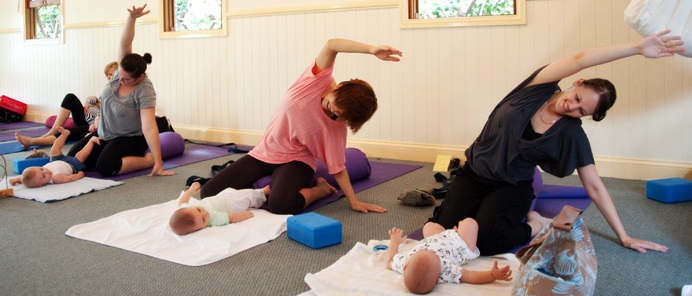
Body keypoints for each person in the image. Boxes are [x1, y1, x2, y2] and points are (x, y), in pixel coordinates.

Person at [427, 30, 684, 256]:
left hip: (511, 185)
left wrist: (624, 236)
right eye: (577, 98)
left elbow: (593, 185)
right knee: (444, 231)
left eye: (581, 111)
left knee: (485, 241)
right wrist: (637, 48)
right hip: (473, 174)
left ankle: (535, 222)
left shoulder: (570, 133)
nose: (572, 107)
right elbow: (579, 59)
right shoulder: (538, 87)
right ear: (577, 82)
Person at [199, 38, 402, 214]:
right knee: (208, 193)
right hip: (265, 152)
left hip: (298, 161)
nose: (331, 112)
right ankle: (263, 185)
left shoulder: (336, 128)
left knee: (280, 205)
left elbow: (338, 167)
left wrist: (354, 201)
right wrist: (371, 49)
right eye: (334, 105)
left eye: (339, 116)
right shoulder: (316, 80)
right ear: (339, 88)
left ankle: (320, 190)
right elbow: (332, 44)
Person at [65, 4, 174, 177]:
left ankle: (148, 160)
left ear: (139, 77)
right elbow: (125, 42)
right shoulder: (120, 73)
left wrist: (159, 163)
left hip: (130, 138)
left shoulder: (144, 88)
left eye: (126, 79)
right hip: (104, 133)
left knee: (105, 168)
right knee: (72, 161)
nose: (119, 80)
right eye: (119, 75)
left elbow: (149, 126)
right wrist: (132, 19)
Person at [385, 219, 513, 294]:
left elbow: (389, 261)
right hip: (461, 244)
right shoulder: (446, 271)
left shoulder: (403, 263)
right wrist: (492, 275)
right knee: (469, 222)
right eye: (434, 255)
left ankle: (447, 231)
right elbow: (469, 276)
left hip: (437, 238)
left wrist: (394, 242)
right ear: (437, 279)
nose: (430, 250)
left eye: (425, 251)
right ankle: (458, 230)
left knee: (429, 226)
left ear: (406, 266)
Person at [15, 61, 117, 149]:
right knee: (70, 97)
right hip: (86, 118)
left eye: (111, 74)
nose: (108, 77)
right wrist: (88, 102)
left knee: (65, 132)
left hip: (91, 126)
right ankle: (52, 131)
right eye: (107, 74)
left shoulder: (118, 92)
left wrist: (96, 123)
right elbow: (95, 100)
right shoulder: (107, 89)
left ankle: (32, 142)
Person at [10, 127, 100, 188]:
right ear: (42, 184)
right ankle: (91, 141)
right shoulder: (56, 178)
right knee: (80, 156)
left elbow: (26, 177)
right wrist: (79, 175)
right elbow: (70, 178)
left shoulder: (40, 173)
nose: (46, 171)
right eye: (44, 176)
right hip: (73, 165)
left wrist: (16, 179)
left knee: (53, 151)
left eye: (41, 169)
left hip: (57, 160)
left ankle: (64, 134)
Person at [169, 182, 270, 235]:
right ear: (200, 228)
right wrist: (243, 215)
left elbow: (182, 202)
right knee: (248, 196)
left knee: (231, 190)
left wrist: (189, 191)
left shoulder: (187, 209)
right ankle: (261, 194)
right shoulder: (213, 219)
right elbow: (230, 217)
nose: (205, 214)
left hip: (222, 196)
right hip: (233, 204)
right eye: (203, 220)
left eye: (199, 210)